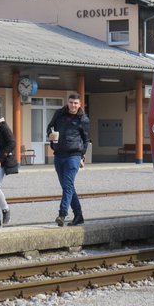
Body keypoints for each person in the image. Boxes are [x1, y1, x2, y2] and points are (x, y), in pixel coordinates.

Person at [46, 93, 90, 226]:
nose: (73, 105)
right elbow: (50, 127)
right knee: (67, 186)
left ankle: (62, 214)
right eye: (71, 102)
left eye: (76, 103)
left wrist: (82, 156)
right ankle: (79, 215)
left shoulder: (83, 119)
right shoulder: (59, 113)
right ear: (68, 102)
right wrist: (50, 135)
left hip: (73, 155)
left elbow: (86, 139)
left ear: (80, 104)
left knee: (68, 185)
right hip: (59, 155)